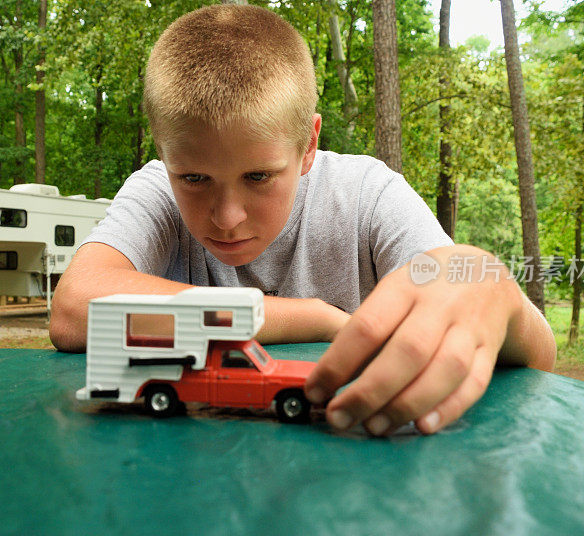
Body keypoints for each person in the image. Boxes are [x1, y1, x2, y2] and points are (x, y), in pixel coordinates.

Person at [50, 4, 556, 436]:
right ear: (164, 153)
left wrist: (495, 292)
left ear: (309, 144)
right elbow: (74, 308)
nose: (226, 218)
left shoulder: (368, 195)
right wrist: (314, 316)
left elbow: (539, 354)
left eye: (258, 176)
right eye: (195, 180)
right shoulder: (155, 188)